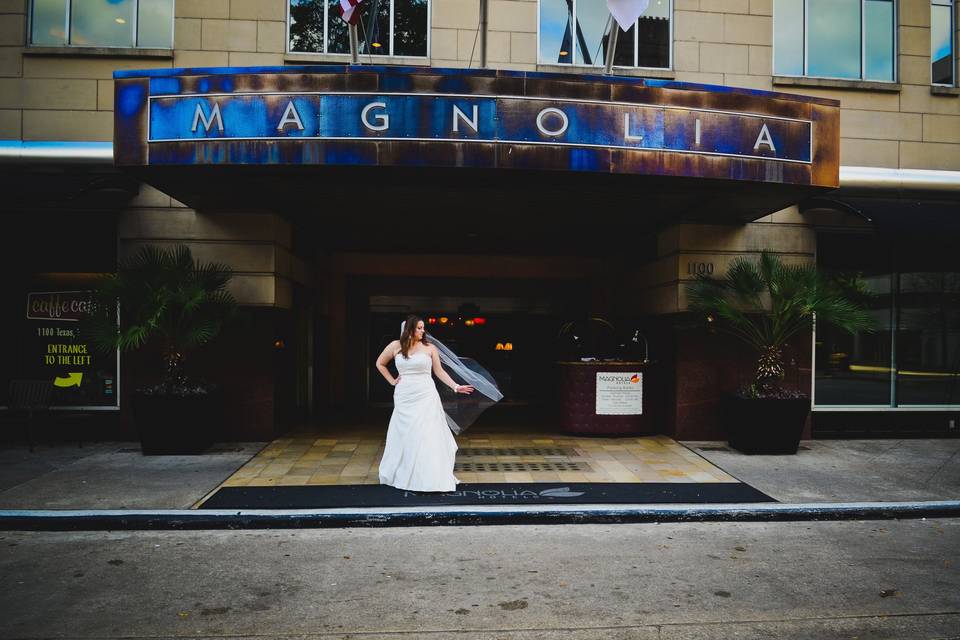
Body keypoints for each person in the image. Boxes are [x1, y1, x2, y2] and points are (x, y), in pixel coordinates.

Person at [375, 315, 475, 492]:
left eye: (423, 328)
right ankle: (404, 472)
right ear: (410, 330)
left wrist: (456, 386)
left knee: (426, 433)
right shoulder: (395, 346)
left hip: (426, 394)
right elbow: (380, 363)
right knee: (406, 433)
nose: (423, 331)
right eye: (419, 328)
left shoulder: (430, 348)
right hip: (404, 395)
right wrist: (391, 381)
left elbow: (439, 371)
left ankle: (428, 475)